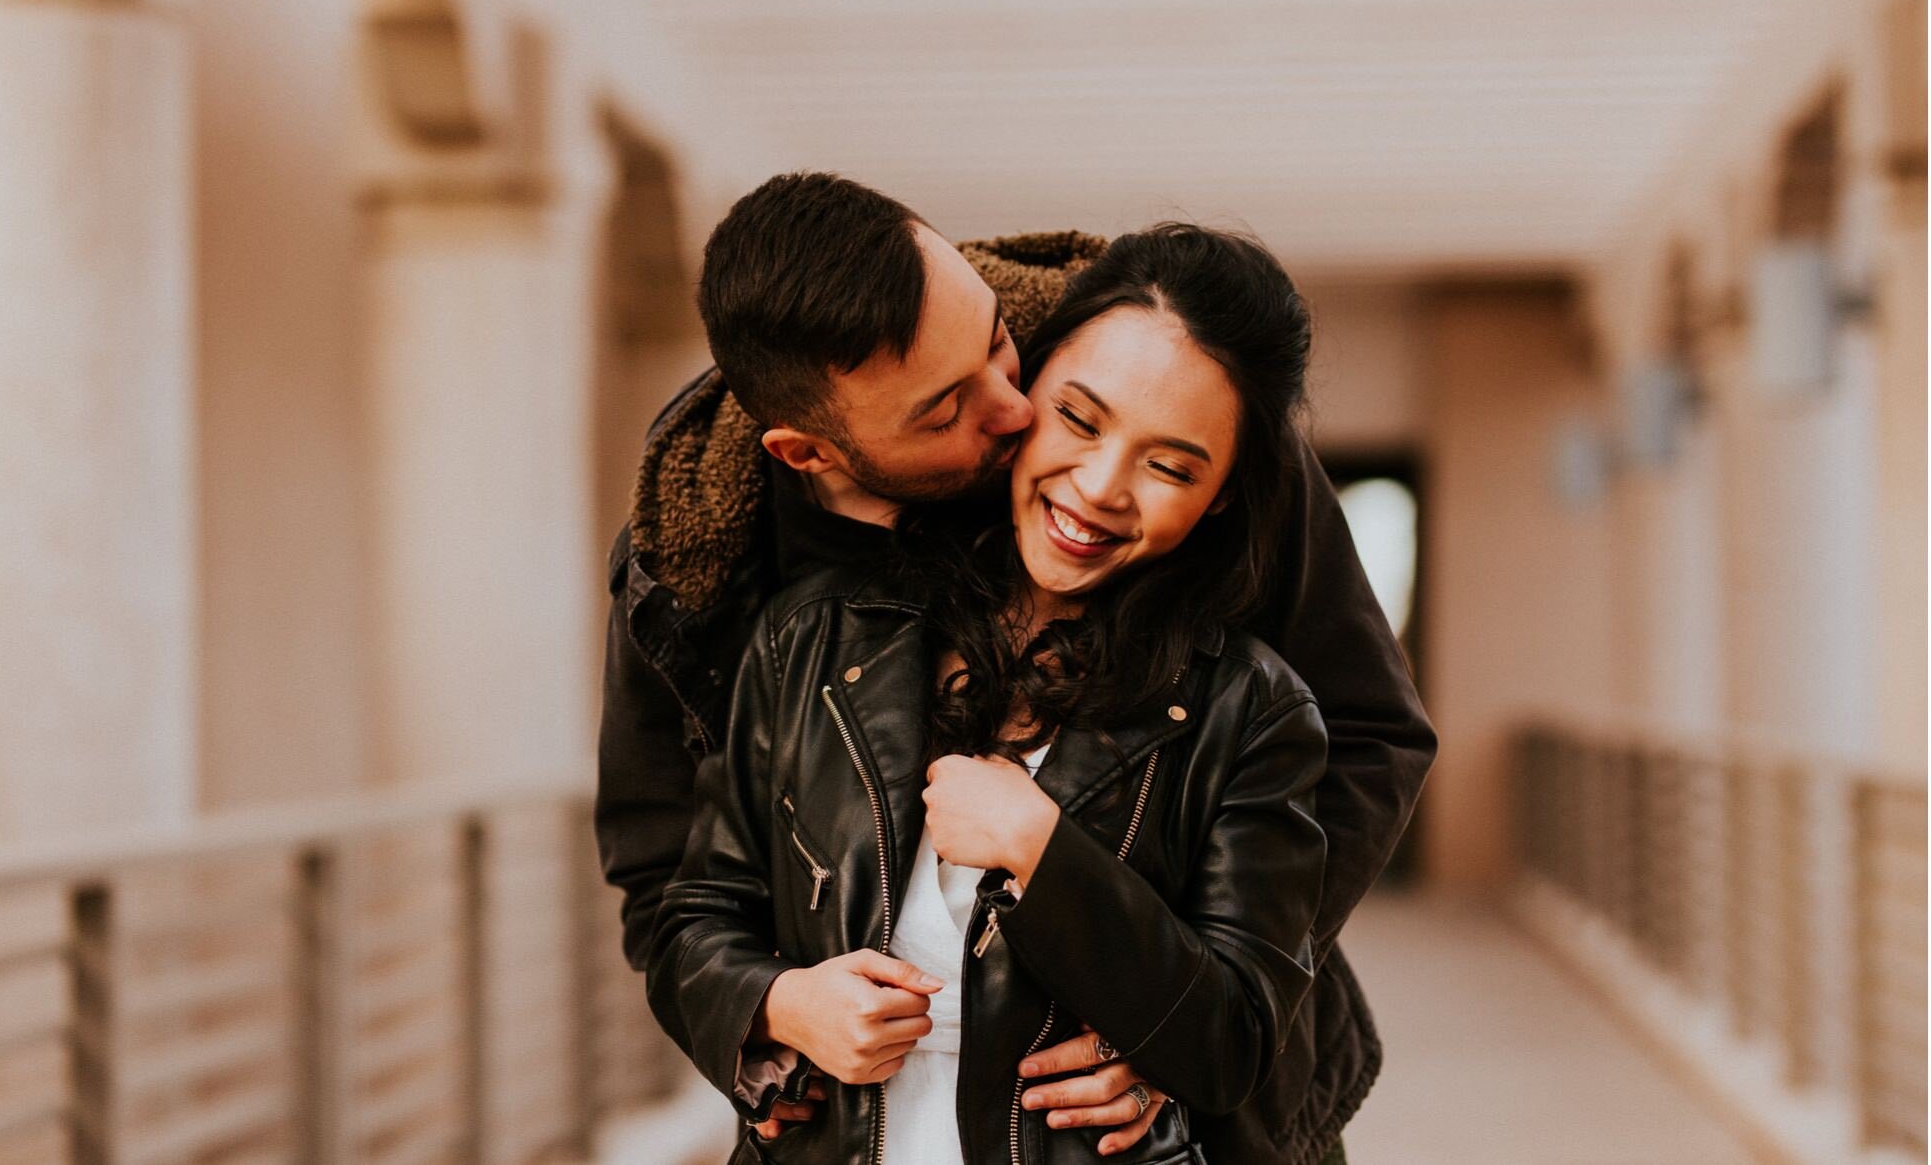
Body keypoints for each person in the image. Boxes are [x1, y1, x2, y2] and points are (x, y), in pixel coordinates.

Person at [596, 174, 1434, 1163]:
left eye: (999, 344)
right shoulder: (718, 581)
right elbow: (673, 878)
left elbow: (1366, 733)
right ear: (810, 452)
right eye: (948, 405)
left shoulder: (1164, 386)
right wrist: (771, 1015)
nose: (1008, 408)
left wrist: (1164, 1012)